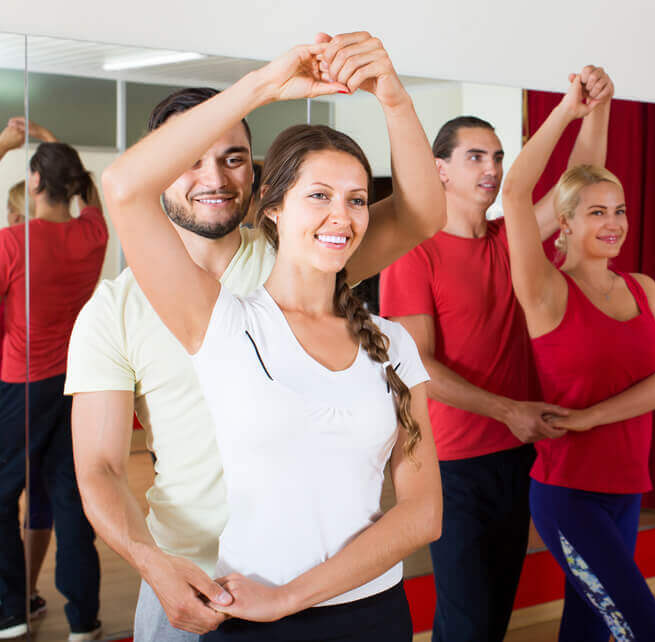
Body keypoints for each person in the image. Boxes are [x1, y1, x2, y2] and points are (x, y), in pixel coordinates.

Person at [67, 32, 447, 641]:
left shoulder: (303, 253)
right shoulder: (165, 311)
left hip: (341, 587)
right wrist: (264, 83)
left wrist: (393, 97)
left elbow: (423, 213)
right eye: (190, 157)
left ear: (259, 180)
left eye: (234, 157)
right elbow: (101, 468)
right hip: (189, 573)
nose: (213, 176)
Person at [379, 66, 613, 641]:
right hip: (454, 461)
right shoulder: (414, 254)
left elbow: (577, 186)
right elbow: (419, 366)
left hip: (516, 451)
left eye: (498, 156)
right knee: (466, 616)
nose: (492, 168)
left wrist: (595, 107)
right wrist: (507, 409)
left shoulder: (512, 238)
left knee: (496, 609)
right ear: (441, 169)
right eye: (476, 157)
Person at [500, 75, 655, 641]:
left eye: (620, 210)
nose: (613, 223)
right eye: (597, 212)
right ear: (567, 223)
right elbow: (514, 195)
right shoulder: (547, 291)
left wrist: (589, 418)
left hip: (627, 488)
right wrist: (566, 111)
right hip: (569, 494)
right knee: (644, 631)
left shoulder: (643, 288)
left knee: (591, 629)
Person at [0, 135, 107, 639]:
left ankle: (11, 613)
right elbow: (96, 205)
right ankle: (84, 622)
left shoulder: (13, 241)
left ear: (35, 182)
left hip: (23, 382)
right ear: (76, 185)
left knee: (2, 496)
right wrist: (55, 145)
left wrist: (6, 145)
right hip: (77, 382)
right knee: (70, 499)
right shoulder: (92, 235)